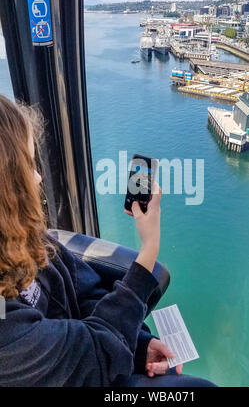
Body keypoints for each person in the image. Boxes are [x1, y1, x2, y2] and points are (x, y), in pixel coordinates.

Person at [0, 94, 215, 387]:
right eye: (28, 166)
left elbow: (85, 291)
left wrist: (139, 345)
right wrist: (149, 249)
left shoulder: (29, 242)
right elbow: (95, 357)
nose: (38, 178)